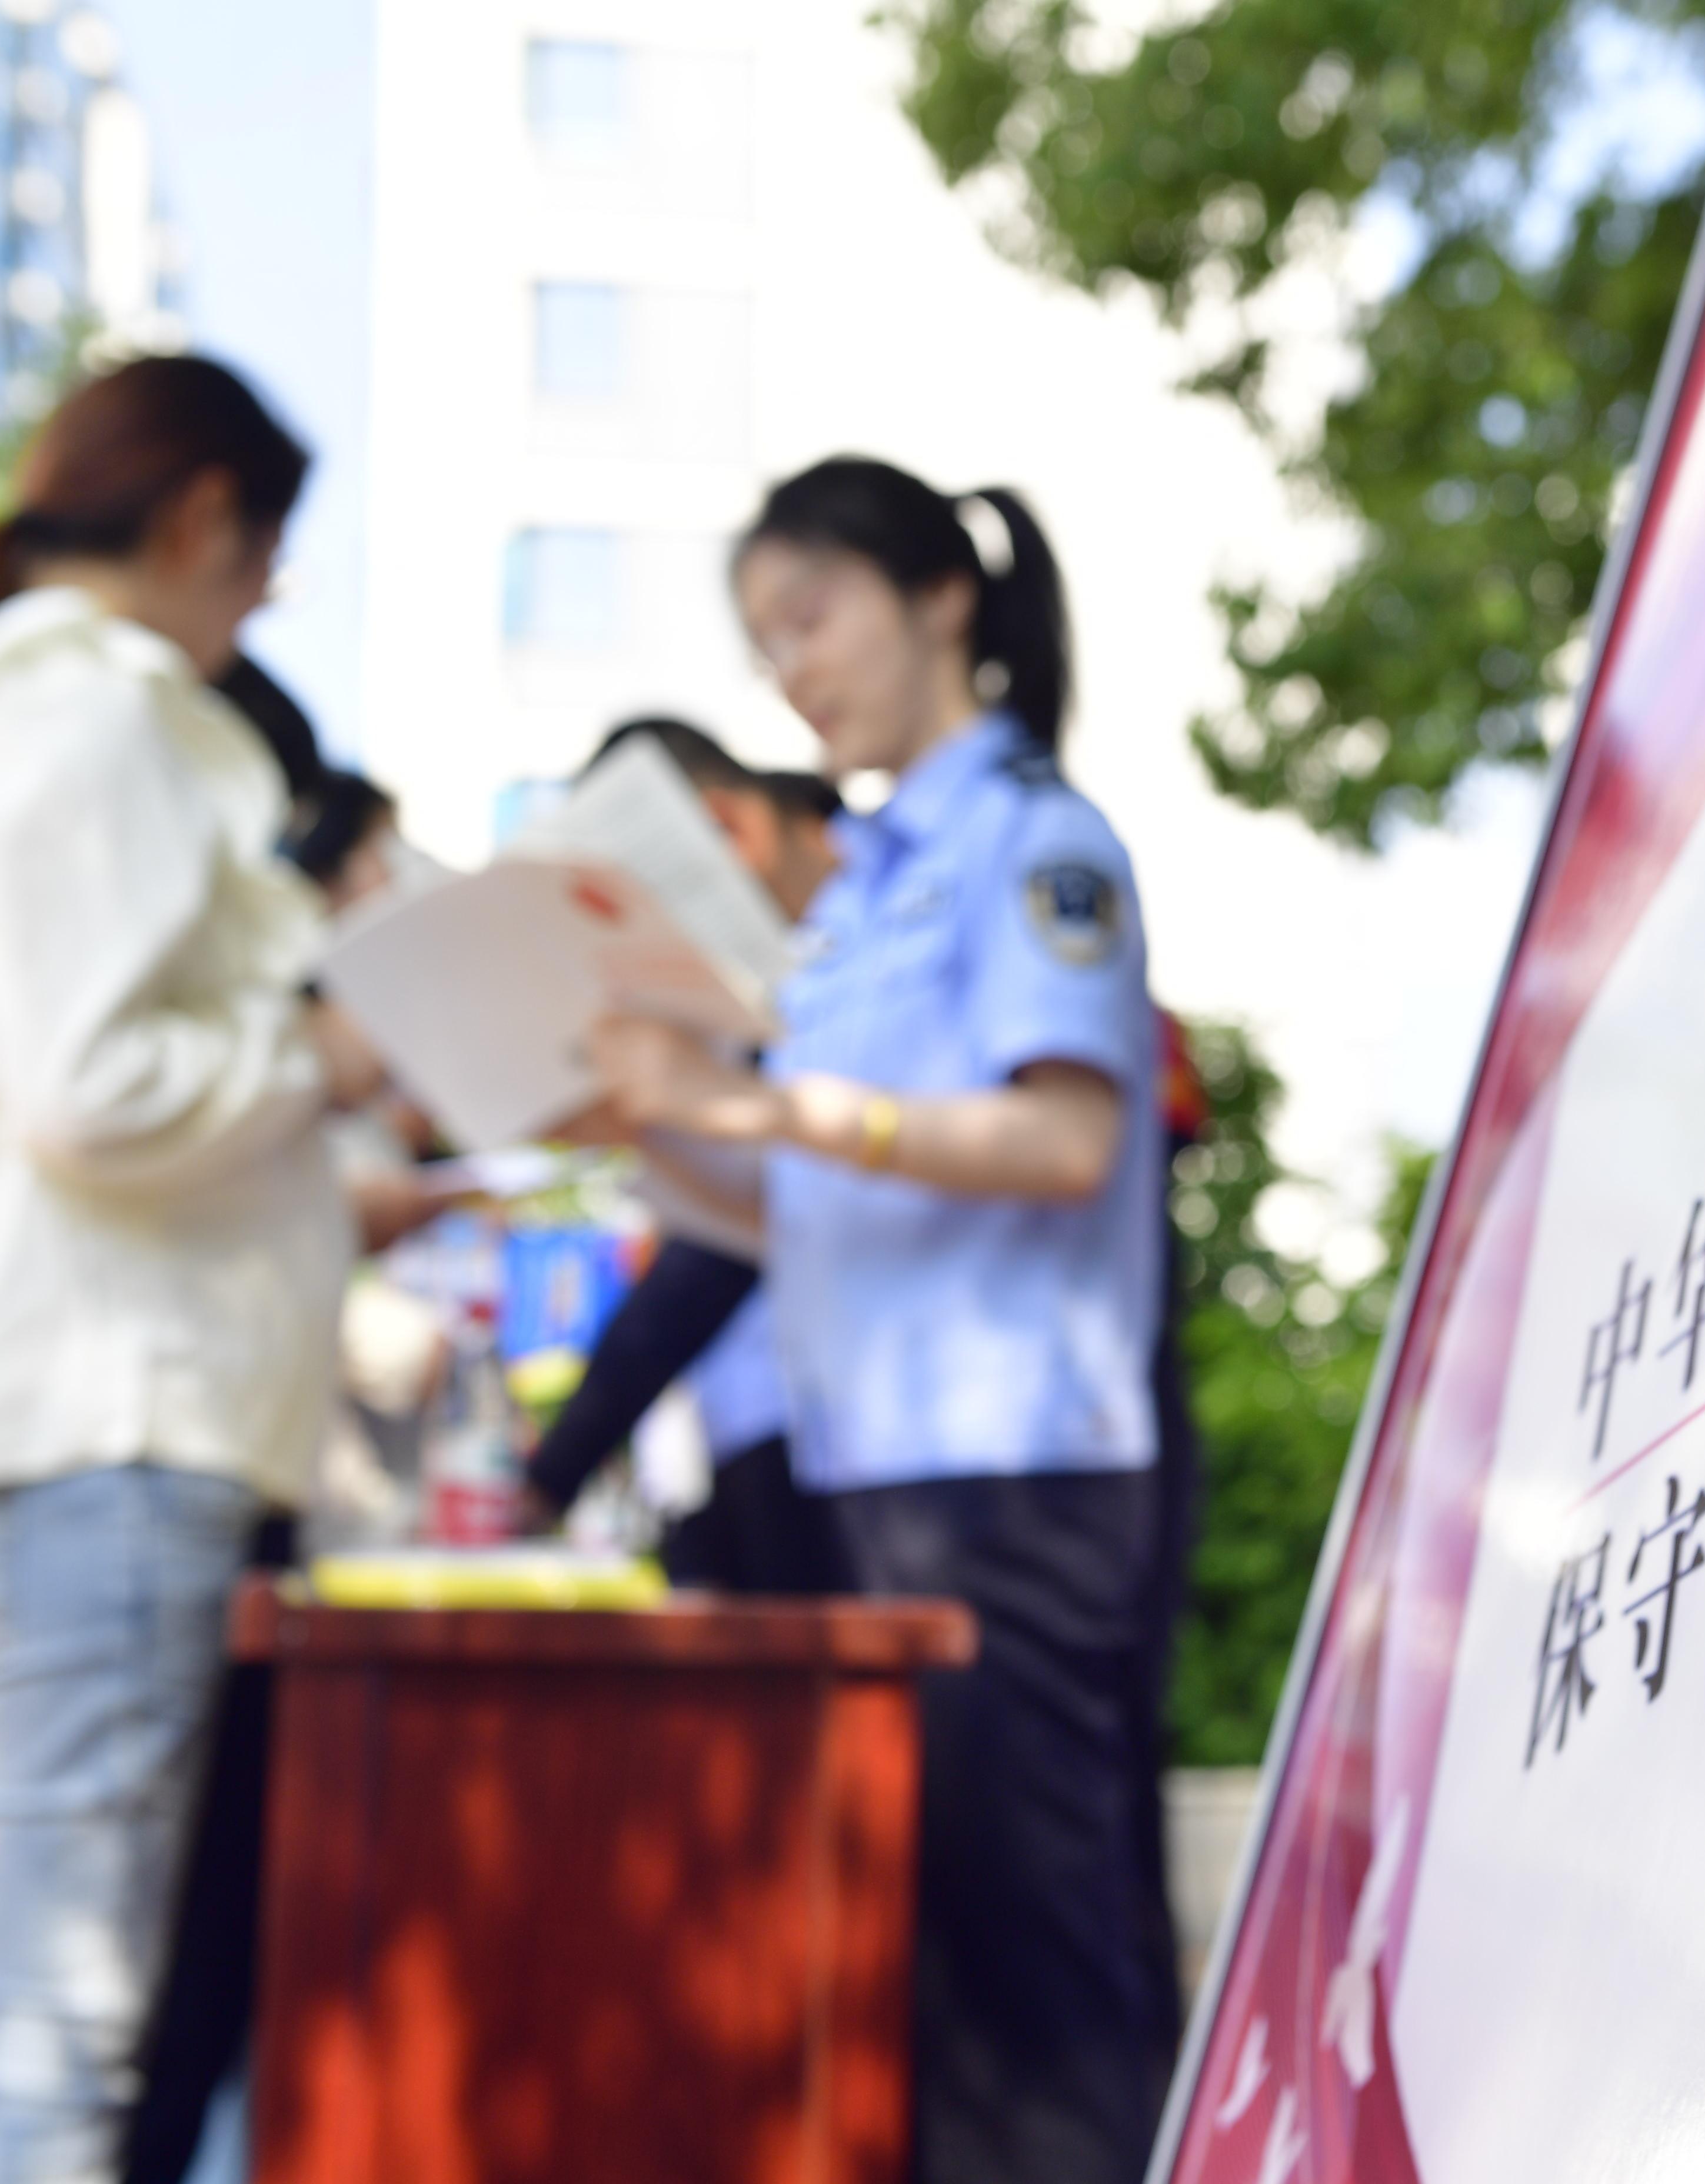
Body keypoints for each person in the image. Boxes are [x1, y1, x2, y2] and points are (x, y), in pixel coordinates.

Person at [0, 354, 375, 2184]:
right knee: (32, 2071)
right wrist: (329, 1055)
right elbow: (99, 1092)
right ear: (202, 517)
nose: (264, 600)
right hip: (92, 1437)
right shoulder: (99, 719)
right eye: (268, 557)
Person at [587, 457, 1180, 2184]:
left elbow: (1062, 1141)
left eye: (813, 616)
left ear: (941, 597)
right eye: (765, 642)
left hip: (1016, 1471)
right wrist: (654, 1120)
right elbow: (804, 1204)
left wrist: (765, 1104)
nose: (794, 669)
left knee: (1042, 1984)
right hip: (878, 1478)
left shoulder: (1033, 844)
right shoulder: (853, 902)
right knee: (925, 1978)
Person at [521, 717, 848, 1592]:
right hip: (760, 1434)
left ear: (733, 831)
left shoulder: (857, 946)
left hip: (879, 1446)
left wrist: (556, 1469)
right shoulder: (757, 986)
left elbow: (731, 1249)